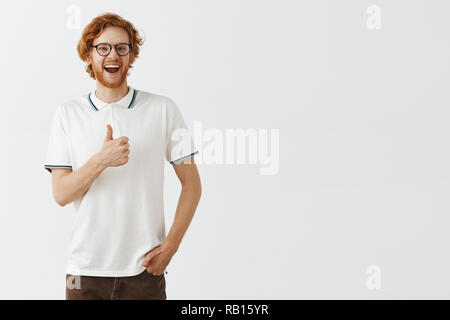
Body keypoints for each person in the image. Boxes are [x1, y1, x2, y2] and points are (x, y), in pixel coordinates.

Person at [44, 12, 202, 300]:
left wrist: (171, 247)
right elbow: (61, 194)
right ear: (89, 55)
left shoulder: (163, 109)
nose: (112, 55)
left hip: (144, 271)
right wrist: (101, 160)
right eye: (102, 48)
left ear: (131, 56)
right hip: (84, 272)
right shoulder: (68, 114)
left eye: (121, 47)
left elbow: (192, 185)